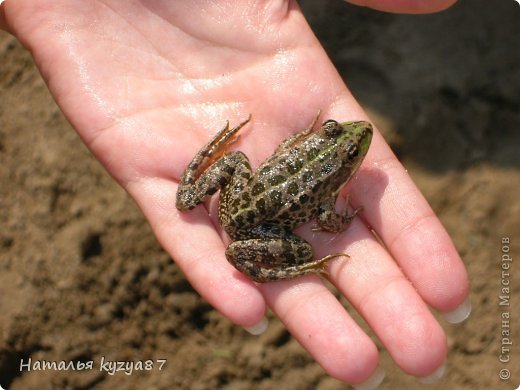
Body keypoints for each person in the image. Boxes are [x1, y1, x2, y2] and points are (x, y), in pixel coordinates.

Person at [0, 0, 469, 388]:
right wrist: (342, 222)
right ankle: (301, 262)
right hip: (258, 223)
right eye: (335, 137)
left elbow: (289, 151)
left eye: (346, 152)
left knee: (237, 165)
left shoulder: (300, 153)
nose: (352, 134)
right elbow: (325, 219)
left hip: (244, 204)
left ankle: (233, 197)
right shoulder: (320, 185)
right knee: (305, 244)